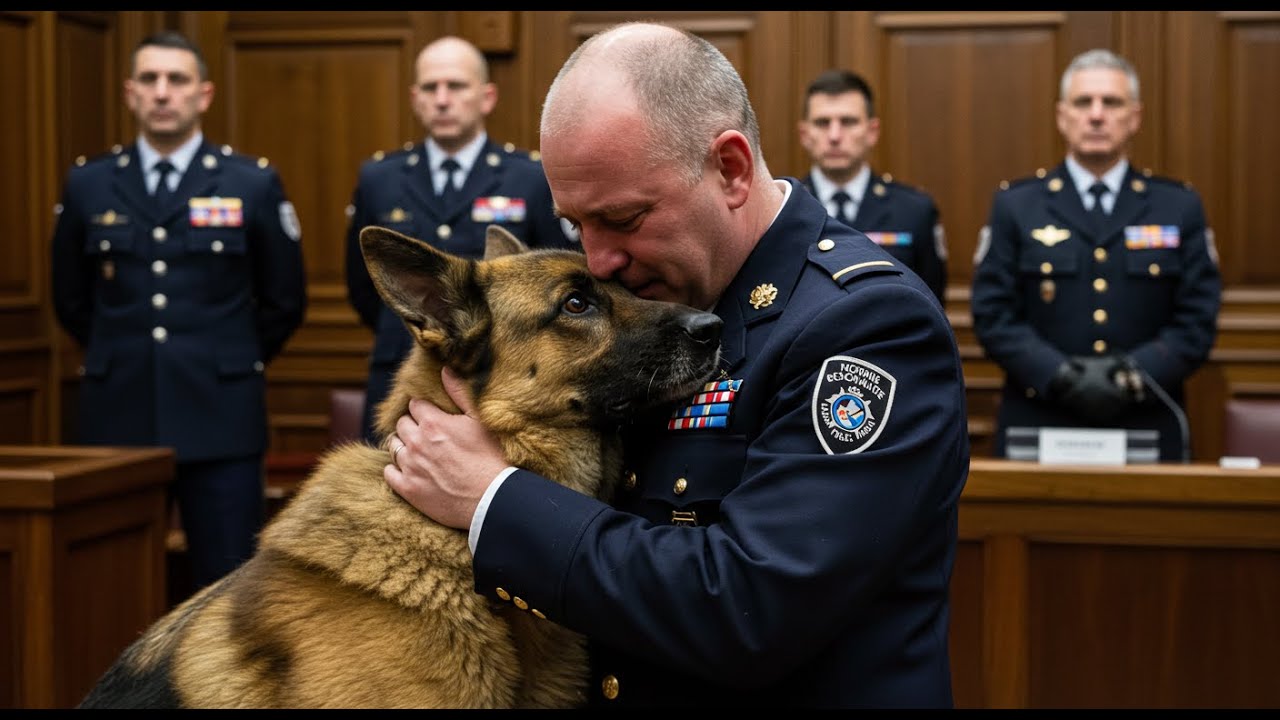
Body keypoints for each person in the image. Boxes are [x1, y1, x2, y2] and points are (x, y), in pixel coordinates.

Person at [382, 22, 969, 708]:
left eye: (624, 219)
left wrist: (491, 497)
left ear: (731, 168)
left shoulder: (864, 328)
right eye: (577, 225)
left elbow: (748, 612)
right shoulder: (657, 305)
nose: (598, 261)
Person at [50, 31, 307, 593]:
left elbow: (284, 300)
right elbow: (69, 298)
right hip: (118, 417)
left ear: (204, 94)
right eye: (149, 79)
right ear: (130, 93)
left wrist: (227, 359)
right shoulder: (90, 183)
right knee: (107, 585)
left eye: (177, 80)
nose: (162, 92)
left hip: (221, 415)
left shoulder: (250, 182)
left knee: (227, 586)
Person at [970, 48, 1221, 463]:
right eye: (1084, 102)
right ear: (1062, 116)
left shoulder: (1178, 207)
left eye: (1112, 102)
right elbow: (993, 314)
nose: (1097, 114)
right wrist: (1059, 375)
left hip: (1146, 418)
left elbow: (1197, 319)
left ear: (1135, 117)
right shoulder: (1017, 206)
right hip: (1041, 415)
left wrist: (1132, 376)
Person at [344, 35, 577, 443]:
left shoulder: (529, 177)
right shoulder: (379, 179)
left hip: (492, 384)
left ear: (487, 97)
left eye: (456, 86)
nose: (442, 99)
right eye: (431, 88)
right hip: (400, 376)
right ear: (415, 99)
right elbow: (366, 289)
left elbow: (563, 272)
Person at [797, 69, 947, 304]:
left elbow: (930, 301)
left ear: (872, 131)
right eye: (822, 123)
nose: (835, 135)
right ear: (805, 134)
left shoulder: (914, 210)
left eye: (848, 122)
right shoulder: (783, 208)